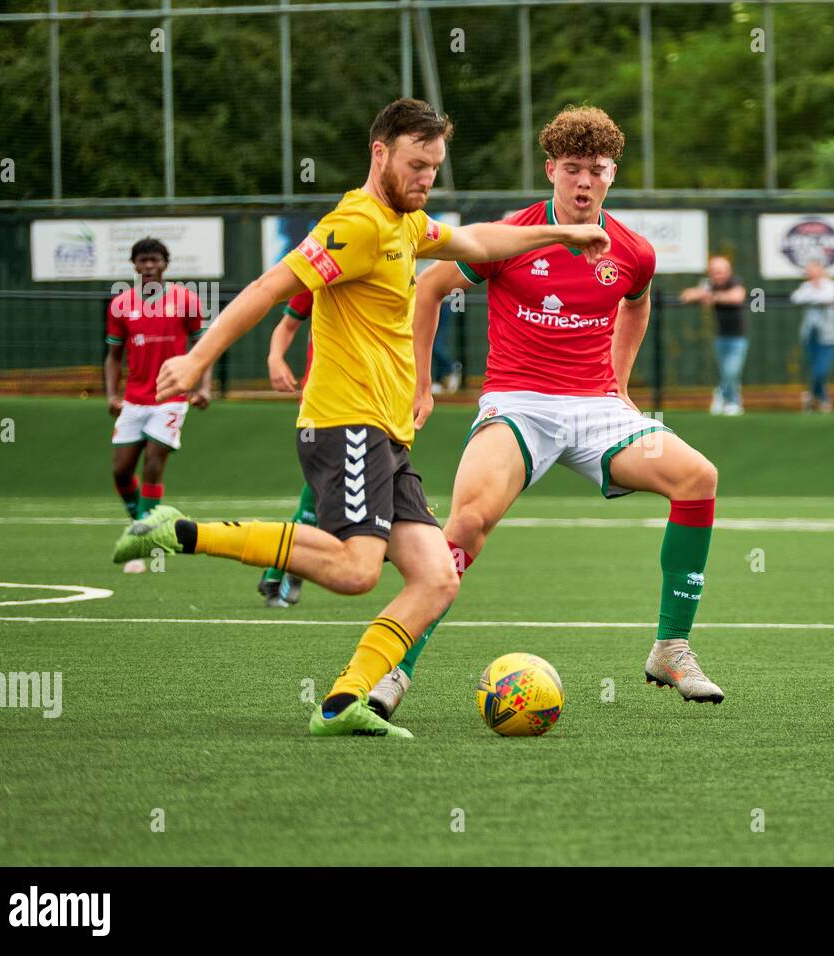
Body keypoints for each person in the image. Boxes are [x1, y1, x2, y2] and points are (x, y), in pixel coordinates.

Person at [111, 98, 610, 738]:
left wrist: (564, 234)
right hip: (346, 422)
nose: (426, 178)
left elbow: (480, 240)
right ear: (380, 153)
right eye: (416, 164)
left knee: (435, 578)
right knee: (355, 570)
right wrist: (199, 356)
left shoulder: (407, 223)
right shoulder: (357, 224)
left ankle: (342, 701)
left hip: (387, 434)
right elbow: (270, 288)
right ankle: (179, 531)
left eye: (434, 167)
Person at [393, 105, 724, 717]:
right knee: (466, 523)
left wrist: (619, 384)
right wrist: (420, 383)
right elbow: (431, 287)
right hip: (519, 406)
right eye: (572, 168)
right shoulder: (509, 236)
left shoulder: (633, 251)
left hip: (598, 411)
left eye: (596, 171)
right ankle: (397, 670)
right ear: (550, 169)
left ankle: (671, 646)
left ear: (611, 175)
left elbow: (637, 303)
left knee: (698, 477)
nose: (583, 183)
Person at [105, 237, 211, 574]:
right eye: (142, 261)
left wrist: (204, 387)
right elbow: (113, 356)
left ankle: (141, 540)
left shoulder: (186, 301)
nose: (149, 266)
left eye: (155, 260)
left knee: (153, 463)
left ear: (165, 264)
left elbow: (203, 347)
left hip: (172, 397)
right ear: (134, 266)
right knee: (121, 470)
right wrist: (111, 393)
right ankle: (145, 526)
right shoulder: (121, 305)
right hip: (134, 399)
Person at [256, 289, 318, 607]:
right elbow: (287, 323)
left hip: (377, 403)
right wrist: (275, 357)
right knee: (322, 492)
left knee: (325, 495)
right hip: (322, 402)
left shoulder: (396, 275)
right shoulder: (323, 276)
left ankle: (277, 569)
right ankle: (286, 571)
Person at [681, 255, 747, 415]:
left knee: (732, 371)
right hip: (720, 336)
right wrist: (701, 295)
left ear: (728, 272)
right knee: (726, 371)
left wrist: (713, 297)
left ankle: (728, 399)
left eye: (721, 271)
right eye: (715, 272)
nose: (718, 275)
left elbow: (738, 296)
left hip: (738, 337)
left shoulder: (735, 282)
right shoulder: (708, 284)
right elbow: (686, 296)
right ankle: (727, 398)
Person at [790, 259, 834, 413]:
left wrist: (812, 297)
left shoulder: (831, 285)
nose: (811, 274)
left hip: (828, 336)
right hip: (810, 334)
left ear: (820, 271)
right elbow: (796, 298)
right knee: (813, 369)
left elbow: (828, 298)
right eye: (808, 271)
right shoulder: (806, 286)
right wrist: (813, 295)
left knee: (821, 370)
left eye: (813, 270)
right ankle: (820, 398)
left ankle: (814, 396)